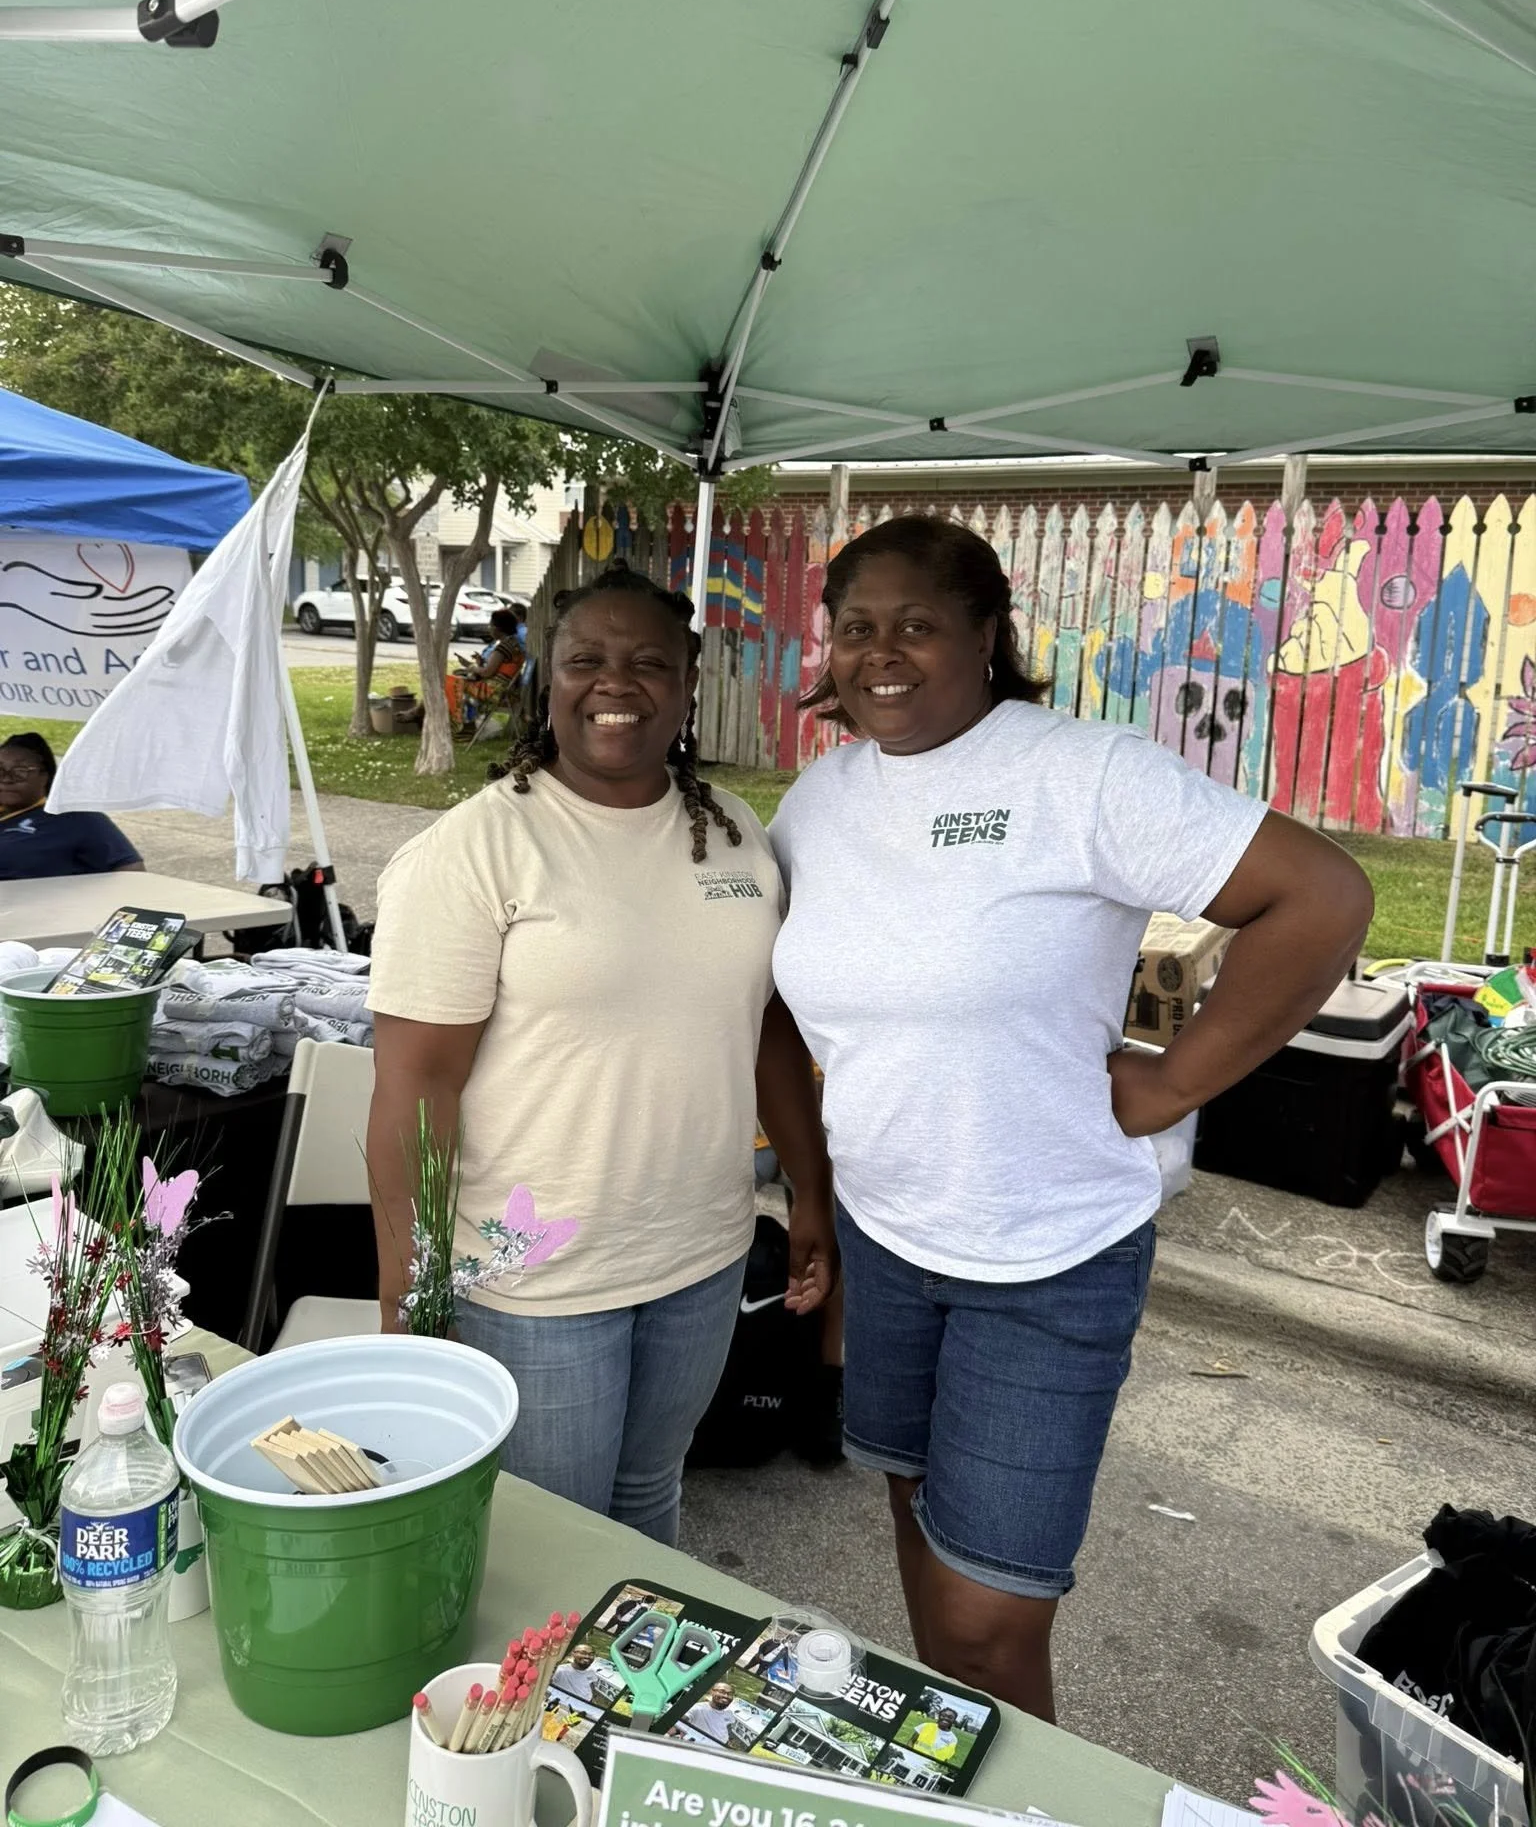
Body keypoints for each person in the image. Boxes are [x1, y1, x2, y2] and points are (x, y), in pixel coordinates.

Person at [768, 516, 1373, 1721]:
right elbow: (787, 1006)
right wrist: (816, 1199)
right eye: (857, 628)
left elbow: (1320, 895)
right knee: (924, 1541)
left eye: (918, 625)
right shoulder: (819, 799)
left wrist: (1171, 1078)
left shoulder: (1081, 771)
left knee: (990, 1622)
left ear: (989, 635)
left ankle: (1008, 1788)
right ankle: (957, 1779)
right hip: (889, 1239)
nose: (881, 653)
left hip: (1045, 1251)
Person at [367, 563, 833, 1545]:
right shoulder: (478, 849)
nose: (615, 681)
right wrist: (410, 1296)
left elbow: (768, 1028)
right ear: (549, 677)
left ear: (687, 684)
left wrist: (809, 1191)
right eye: (586, 658)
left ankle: (625, 1697)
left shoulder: (734, 833)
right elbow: (417, 1089)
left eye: (647, 661)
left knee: (648, 1495)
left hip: (699, 1253)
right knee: (558, 1540)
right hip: (535, 1280)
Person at [0, 733, 143, 879]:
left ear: (46, 776)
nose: (6, 779)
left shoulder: (78, 818)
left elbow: (133, 875)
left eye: (20, 772)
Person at [685, 1682, 738, 1747]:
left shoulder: (729, 1713)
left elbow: (728, 1729)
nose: (726, 1696)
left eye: (730, 1694)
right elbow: (679, 1722)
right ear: (712, 1692)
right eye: (722, 1691)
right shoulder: (698, 1709)